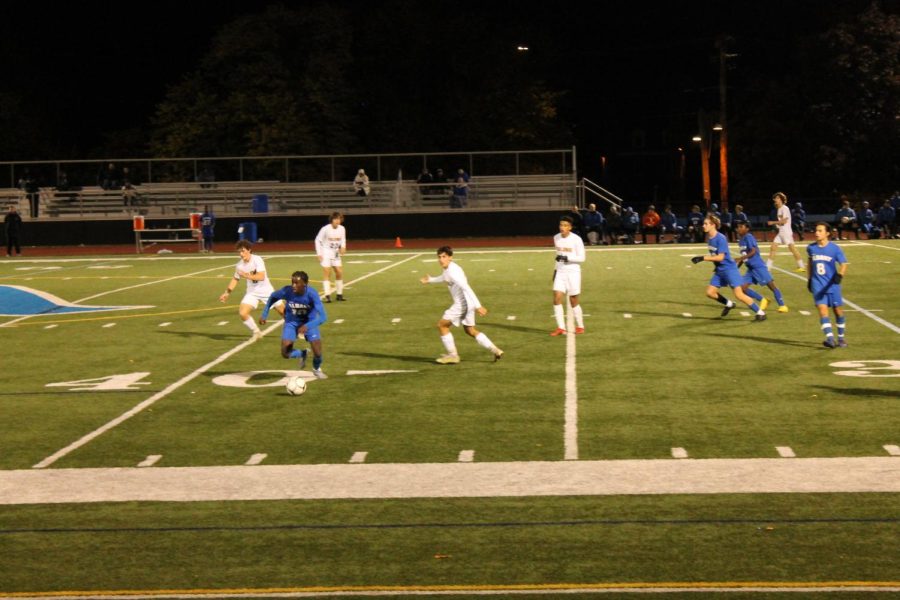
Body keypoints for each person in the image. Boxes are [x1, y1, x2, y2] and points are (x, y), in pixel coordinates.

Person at [420, 245, 503, 364]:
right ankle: (495, 349)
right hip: (468, 304)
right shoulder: (449, 268)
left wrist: (478, 305)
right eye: (439, 257)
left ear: (450, 257)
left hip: (462, 304)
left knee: (442, 325)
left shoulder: (453, 272)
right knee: (470, 330)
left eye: (444, 257)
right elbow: (444, 277)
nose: (441, 259)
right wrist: (430, 280)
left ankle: (453, 355)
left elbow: (466, 288)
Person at [691, 215, 766, 321]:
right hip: (720, 270)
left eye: (706, 224)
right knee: (710, 293)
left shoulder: (720, 238)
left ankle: (760, 312)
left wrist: (703, 258)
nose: (703, 226)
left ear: (713, 225)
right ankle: (729, 304)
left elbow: (721, 257)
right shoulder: (710, 238)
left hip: (729, 269)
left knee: (739, 295)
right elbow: (716, 256)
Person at [260, 270, 329, 379]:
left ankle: (316, 369)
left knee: (318, 353)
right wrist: (264, 314)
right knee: (285, 353)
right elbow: (273, 296)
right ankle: (302, 354)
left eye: (296, 283)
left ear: (305, 284)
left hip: (309, 323)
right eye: (292, 282)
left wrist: (307, 326)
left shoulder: (312, 294)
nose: (293, 285)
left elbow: (323, 317)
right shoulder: (287, 291)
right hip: (291, 322)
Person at [218, 240, 282, 340]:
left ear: (249, 250)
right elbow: (235, 279)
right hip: (252, 292)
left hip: (266, 290)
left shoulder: (257, 260)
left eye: (243, 251)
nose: (241, 254)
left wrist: (246, 275)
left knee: (283, 312)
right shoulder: (239, 265)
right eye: (239, 252)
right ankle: (256, 332)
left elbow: (261, 276)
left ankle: (300, 330)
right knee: (243, 313)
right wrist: (227, 293)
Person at [807, 222, 849, 348]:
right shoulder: (811, 248)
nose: (816, 233)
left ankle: (841, 338)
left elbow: (844, 263)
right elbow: (809, 263)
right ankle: (830, 338)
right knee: (822, 310)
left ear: (827, 233)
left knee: (837, 311)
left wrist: (840, 275)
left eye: (820, 231)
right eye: (816, 230)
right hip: (818, 285)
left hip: (832, 285)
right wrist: (809, 279)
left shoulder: (835, 248)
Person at [733, 219, 788, 313]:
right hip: (750, 269)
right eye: (738, 227)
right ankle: (763, 300)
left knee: (771, 286)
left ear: (747, 228)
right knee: (742, 288)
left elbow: (753, 251)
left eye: (741, 227)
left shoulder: (748, 237)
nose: (738, 229)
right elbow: (744, 255)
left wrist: (741, 259)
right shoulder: (741, 240)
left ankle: (782, 305)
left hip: (758, 266)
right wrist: (737, 267)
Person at [551, 215, 587, 335]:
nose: (562, 227)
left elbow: (582, 258)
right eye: (561, 225)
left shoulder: (576, 239)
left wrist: (567, 258)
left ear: (570, 227)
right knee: (556, 298)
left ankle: (580, 326)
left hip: (573, 272)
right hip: (560, 271)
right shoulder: (556, 238)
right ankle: (561, 327)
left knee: (573, 300)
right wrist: (555, 271)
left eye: (565, 225)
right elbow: (558, 256)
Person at [766, 192, 806, 273]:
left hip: (786, 232)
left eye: (777, 198)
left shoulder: (785, 208)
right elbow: (781, 222)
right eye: (775, 198)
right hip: (781, 232)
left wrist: (773, 223)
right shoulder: (779, 209)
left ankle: (802, 266)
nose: (775, 200)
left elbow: (784, 221)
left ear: (781, 199)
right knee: (773, 248)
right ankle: (768, 267)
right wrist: (777, 226)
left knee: (793, 249)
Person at [315, 211, 347, 302]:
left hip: (336, 252)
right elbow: (317, 240)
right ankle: (327, 295)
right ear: (332, 220)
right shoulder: (325, 229)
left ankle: (339, 294)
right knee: (327, 272)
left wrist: (343, 247)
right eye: (335, 219)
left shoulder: (342, 229)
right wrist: (319, 253)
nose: (337, 221)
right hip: (326, 252)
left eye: (339, 219)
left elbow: (343, 239)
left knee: (339, 272)